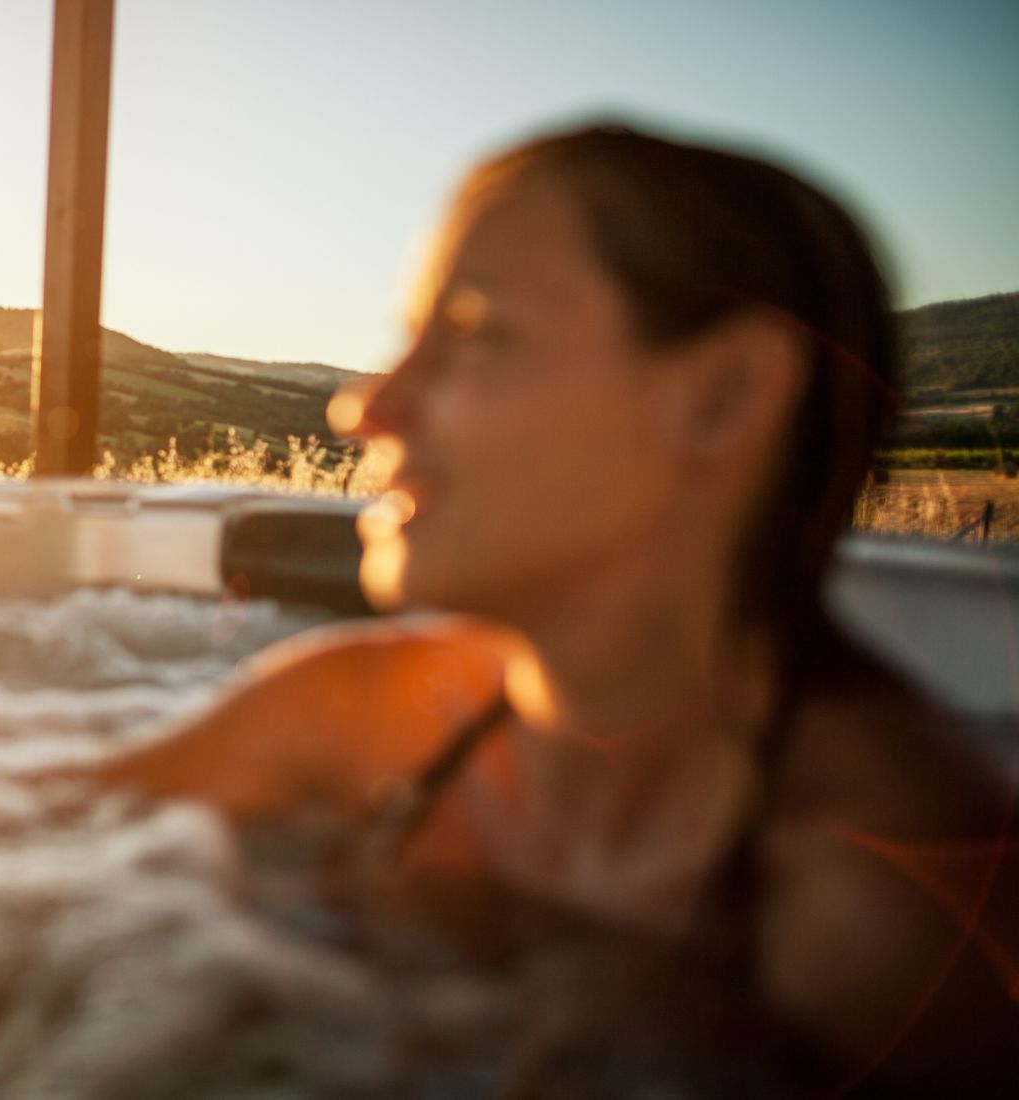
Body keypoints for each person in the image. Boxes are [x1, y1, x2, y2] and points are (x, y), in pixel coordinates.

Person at [88, 122, 1018, 1093]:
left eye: (478, 335)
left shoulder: (890, 920)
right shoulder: (364, 717)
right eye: (406, 340)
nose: (365, 408)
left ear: (723, 395)